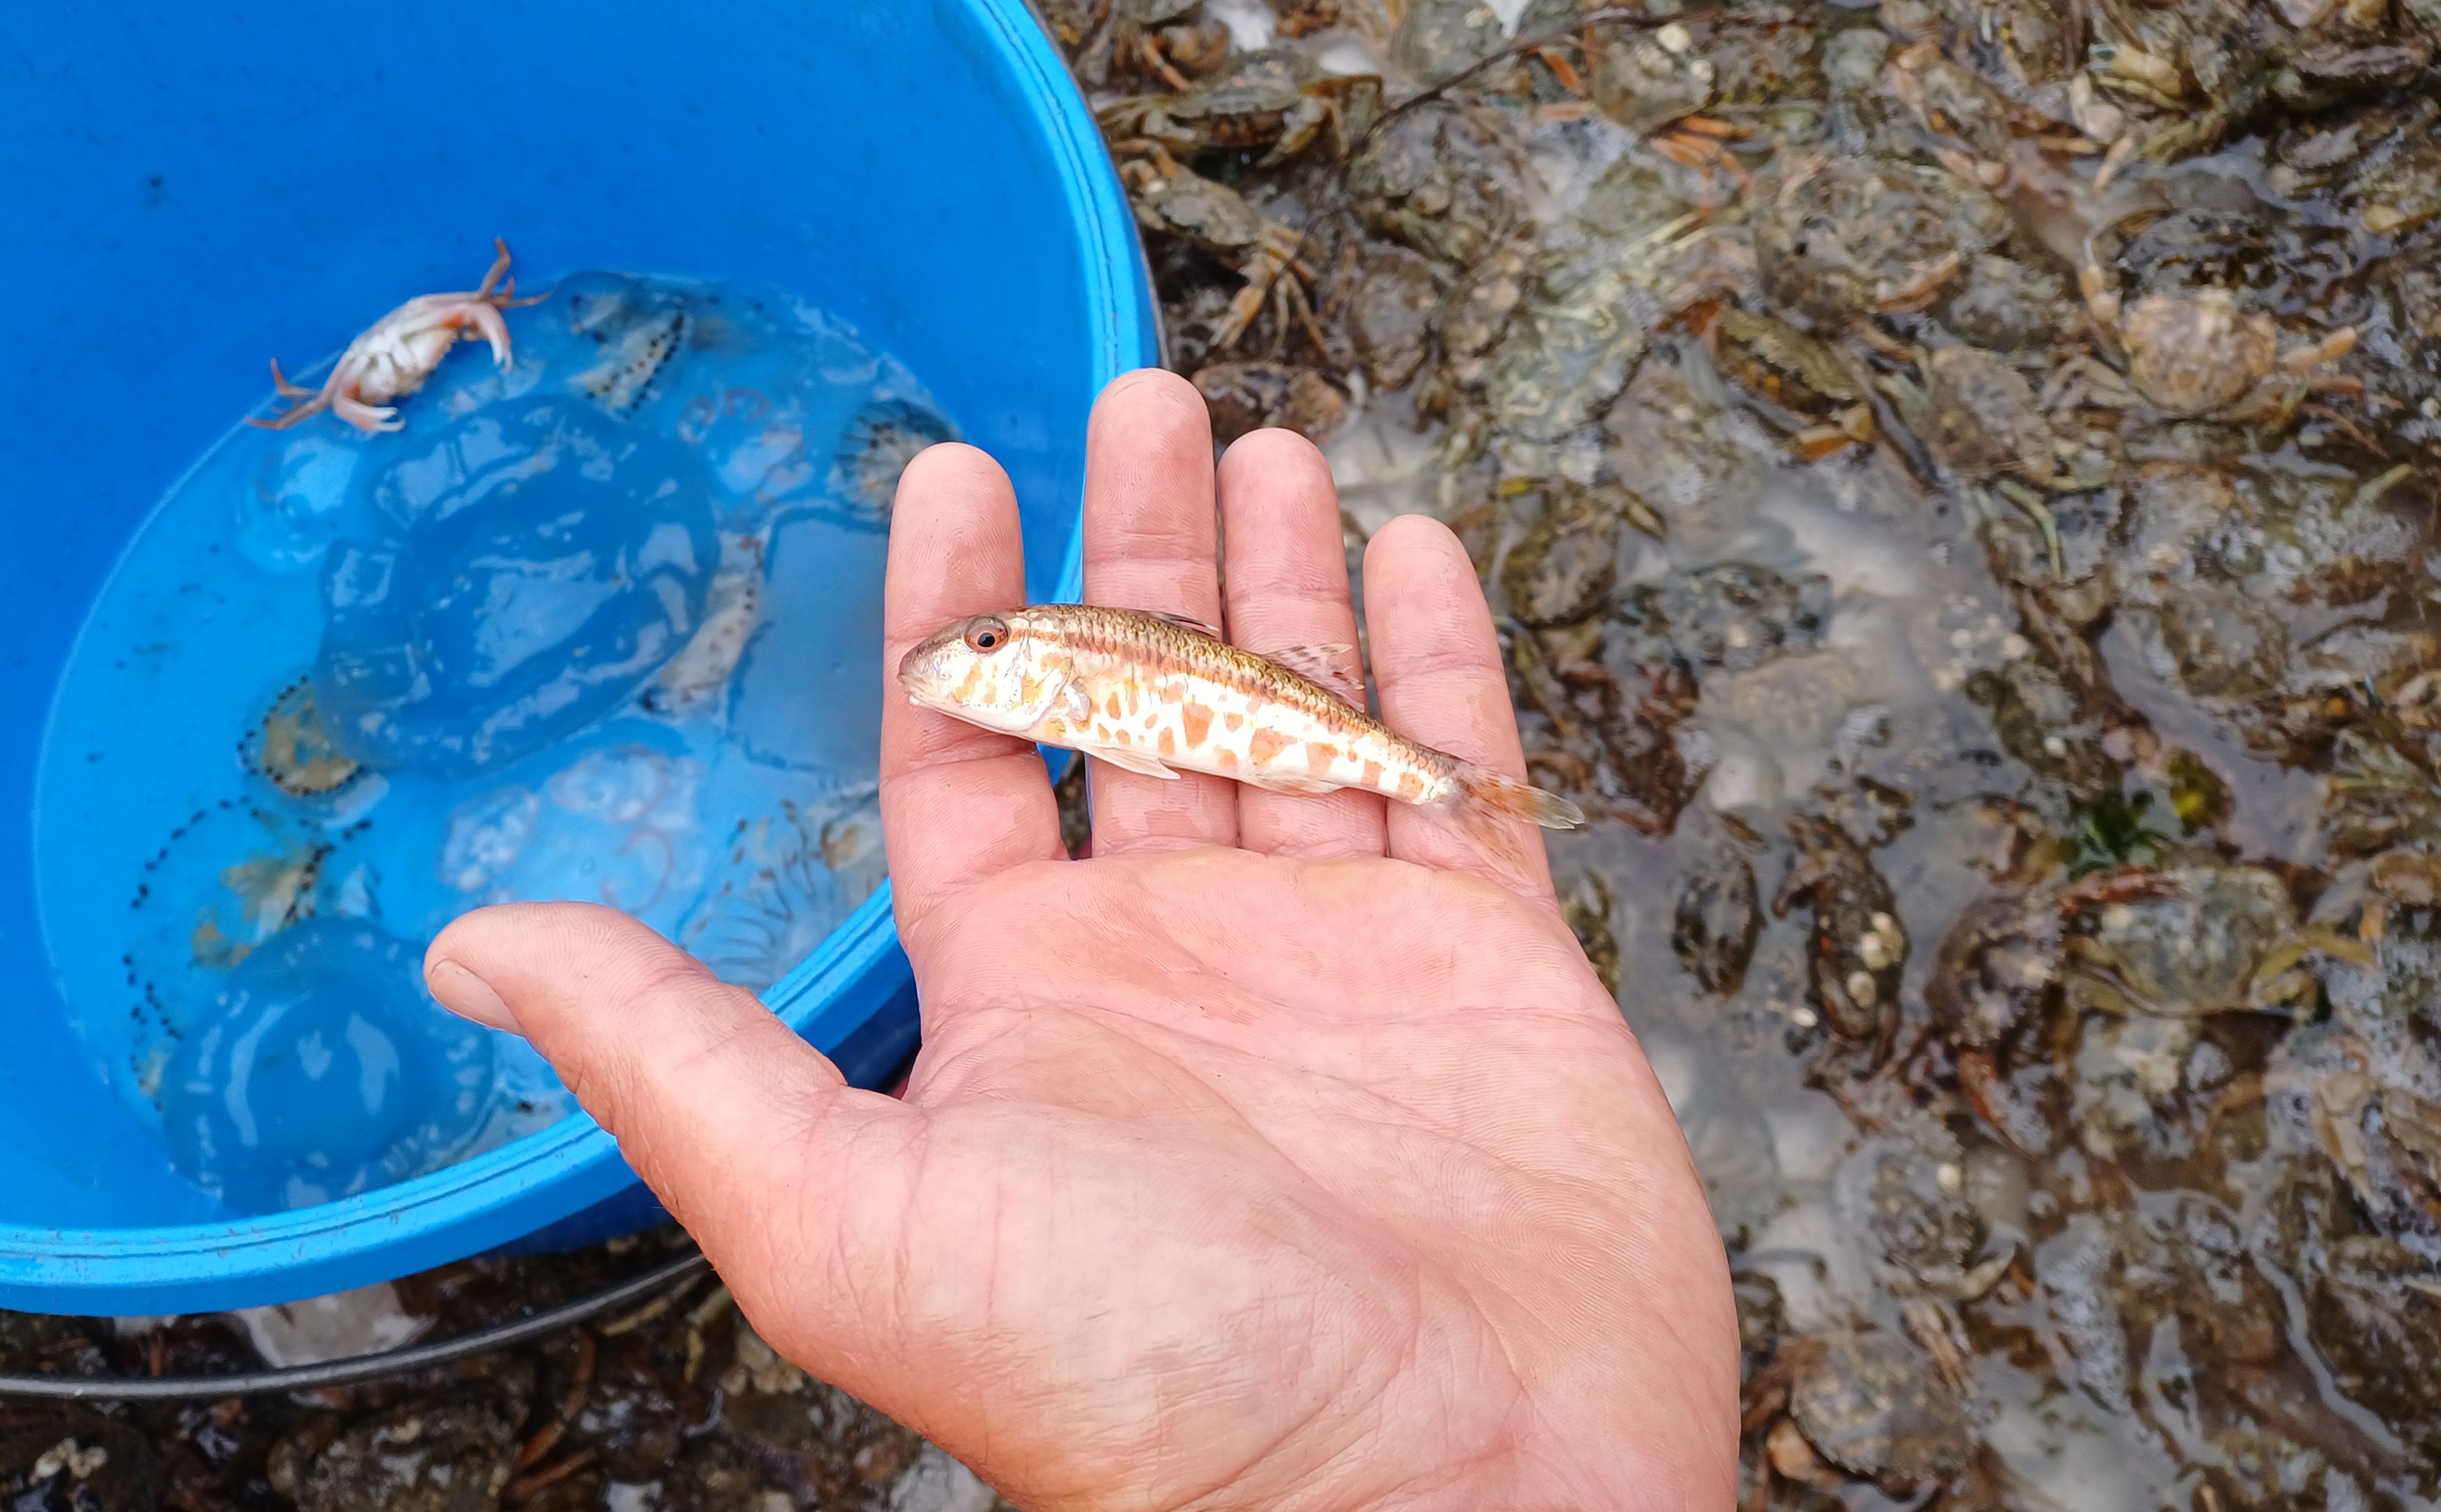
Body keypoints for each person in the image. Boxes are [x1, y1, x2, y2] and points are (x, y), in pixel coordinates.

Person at [421, 371, 1738, 1511]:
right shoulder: (1052, 670)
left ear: (1030, 656)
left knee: (1367, 707)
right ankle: (1432, 778)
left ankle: (1437, 780)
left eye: (988, 644)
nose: (965, 657)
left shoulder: (1071, 657)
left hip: (1288, 739)